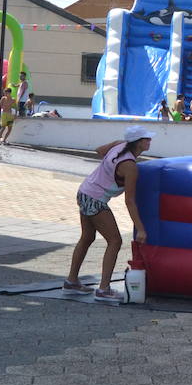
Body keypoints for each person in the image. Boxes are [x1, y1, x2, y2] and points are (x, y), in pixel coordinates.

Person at [64, 124, 151, 301]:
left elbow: (99, 150)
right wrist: (140, 228)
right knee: (115, 241)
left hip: (84, 192)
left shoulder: (119, 145)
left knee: (87, 237)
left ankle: (71, 281)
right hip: (95, 198)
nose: (150, 141)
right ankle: (103, 289)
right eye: (146, 139)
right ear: (139, 143)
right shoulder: (130, 166)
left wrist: (115, 147)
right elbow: (130, 201)